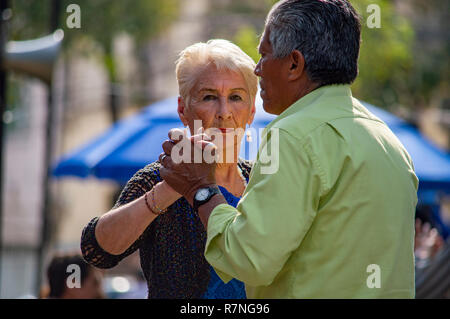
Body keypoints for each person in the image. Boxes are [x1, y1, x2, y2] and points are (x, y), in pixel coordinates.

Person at [159, 0, 419, 298]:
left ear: (294, 64)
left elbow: (249, 259)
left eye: (264, 55)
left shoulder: (293, 135)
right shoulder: (388, 141)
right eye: (209, 97)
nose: (257, 70)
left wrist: (201, 189)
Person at [80, 39, 258, 298]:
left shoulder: (261, 180)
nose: (224, 112)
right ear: (183, 109)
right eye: (209, 97)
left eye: (236, 97)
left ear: (251, 111)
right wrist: (173, 186)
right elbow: (97, 250)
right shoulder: (157, 177)